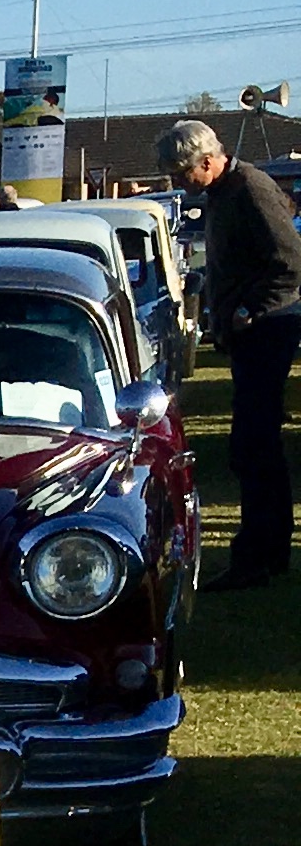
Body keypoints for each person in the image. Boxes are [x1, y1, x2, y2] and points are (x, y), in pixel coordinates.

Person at [166, 117, 301, 589]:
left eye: (182, 174)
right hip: (250, 333)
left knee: (254, 447)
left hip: (269, 329)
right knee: (253, 448)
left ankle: (256, 558)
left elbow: (290, 262)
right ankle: (268, 554)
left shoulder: (251, 188)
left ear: (207, 161)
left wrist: (249, 309)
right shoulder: (223, 194)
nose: (178, 184)